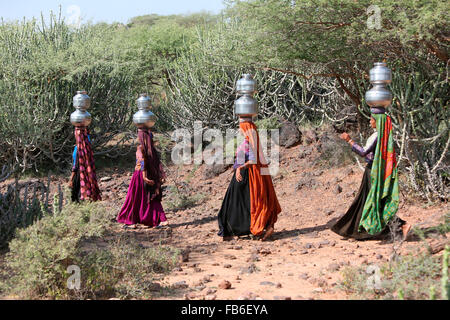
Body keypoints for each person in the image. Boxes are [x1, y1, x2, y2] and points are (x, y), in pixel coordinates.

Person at [331, 109, 411, 240]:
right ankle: (358, 231)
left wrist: (349, 140)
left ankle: (401, 225)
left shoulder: (377, 136)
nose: (370, 121)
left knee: (371, 202)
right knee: (371, 201)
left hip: (372, 173)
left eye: (372, 119)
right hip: (379, 171)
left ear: (378, 121)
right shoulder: (385, 135)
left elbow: (363, 152)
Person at [218, 118, 281, 241]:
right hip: (245, 174)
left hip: (245, 175)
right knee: (244, 203)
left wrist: (240, 168)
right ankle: (263, 227)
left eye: (241, 127)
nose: (239, 129)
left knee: (236, 203)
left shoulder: (249, 143)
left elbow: (253, 160)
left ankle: (233, 231)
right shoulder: (250, 141)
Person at [117, 128, 168, 228]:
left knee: (134, 198)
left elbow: (142, 161)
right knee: (150, 198)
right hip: (151, 175)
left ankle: (131, 221)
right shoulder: (151, 149)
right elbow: (156, 163)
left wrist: (144, 176)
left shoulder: (141, 148)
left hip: (140, 176)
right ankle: (161, 220)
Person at [68, 128, 101, 202]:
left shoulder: (78, 149)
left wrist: (71, 179)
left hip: (78, 175)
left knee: (76, 196)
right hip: (86, 175)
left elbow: (75, 166)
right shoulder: (87, 148)